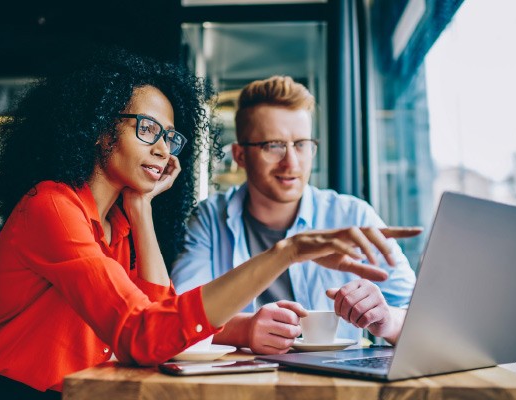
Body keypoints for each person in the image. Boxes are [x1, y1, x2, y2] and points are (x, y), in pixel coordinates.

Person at [0, 49, 418, 398]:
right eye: (147, 129)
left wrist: (142, 208)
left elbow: (160, 322)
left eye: (170, 137)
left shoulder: (118, 223)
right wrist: (286, 252)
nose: (163, 150)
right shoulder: (52, 207)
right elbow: (144, 335)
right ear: (97, 127)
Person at [171, 76, 420, 355]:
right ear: (240, 155)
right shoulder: (209, 218)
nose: (291, 162)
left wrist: (386, 320)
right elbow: (178, 317)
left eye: (301, 144)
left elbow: (422, 317)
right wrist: (245, 329)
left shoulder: (353, 215)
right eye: (273, 146)